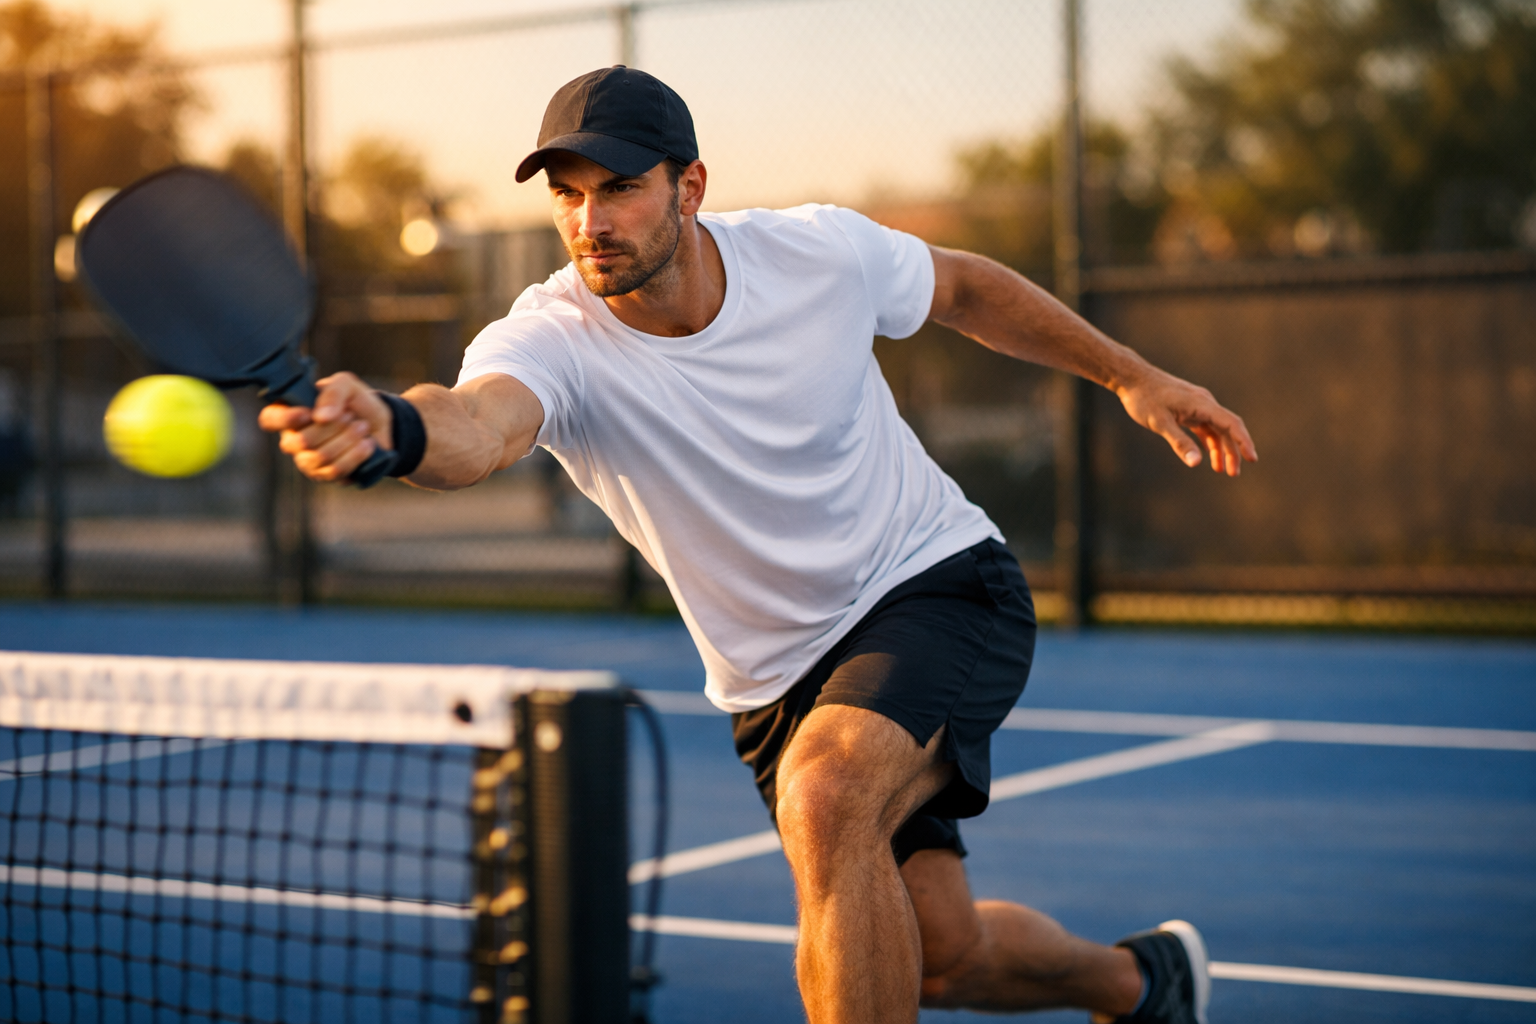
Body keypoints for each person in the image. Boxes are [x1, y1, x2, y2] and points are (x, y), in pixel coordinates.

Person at [260, 66, 1256, 1024]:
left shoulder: (814, 253)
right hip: (778, 681)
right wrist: (395, 427)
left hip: (937, 584)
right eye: (568, 195)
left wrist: (1130, 376)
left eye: (619, 189)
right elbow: (478, 424)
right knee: (942, 955)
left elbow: (962, 289)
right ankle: (1144, 984)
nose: (589, 223)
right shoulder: (551, 337)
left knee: (827, 798)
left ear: (690, 186)